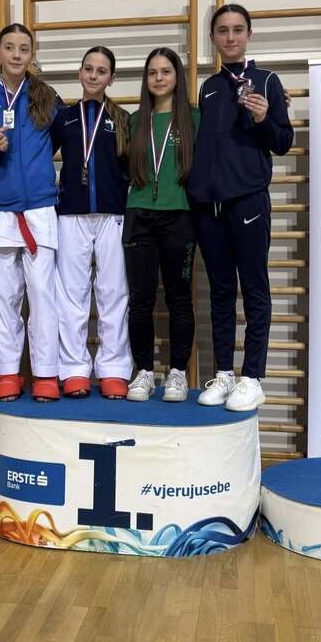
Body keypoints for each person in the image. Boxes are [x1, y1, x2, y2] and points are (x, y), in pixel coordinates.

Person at [188, 4, 293, 411]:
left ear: (249, 34)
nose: (230, 37)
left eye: (237, 30)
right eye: (222, 31)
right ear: (212, 38)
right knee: (219, 292)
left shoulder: (267, 81)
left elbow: (283, 143)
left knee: (254, 289)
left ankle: (252, 377)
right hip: (210, 206)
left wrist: (265, 119)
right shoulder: (210, 87)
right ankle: (224, 374)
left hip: (248, 200)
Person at [0, 24, 63, 402]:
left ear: (31, 54)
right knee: (2, 297)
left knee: (43, 296)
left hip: (39, 207)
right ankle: (8, 372)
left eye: (23, 48)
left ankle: (45, 373)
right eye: (9, 47)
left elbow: (59, 142)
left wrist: (38, 176)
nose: (16, 55)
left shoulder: (47, 97)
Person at [52, 47, 133, 399]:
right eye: (89, 69)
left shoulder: (123, 119)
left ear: (111, 78)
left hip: (113, 214)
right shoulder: (64, 118)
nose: (94, 76)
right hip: (71, 214)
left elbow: (133, 166)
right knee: (72, 293)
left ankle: (113, 368)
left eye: (102, 71)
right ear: (79, 72)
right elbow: (38, 156)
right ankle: (73, 369)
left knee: (113, 292)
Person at [123, 48, 199, 402]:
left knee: (179, 297)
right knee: (139, 298)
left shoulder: (194, 119)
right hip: (139, 214)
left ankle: (178, 372)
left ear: (177, 77)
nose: (158, 78)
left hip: (179, 215)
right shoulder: (135, 120)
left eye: (165, 71)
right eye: (152, 72)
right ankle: (143, 372)